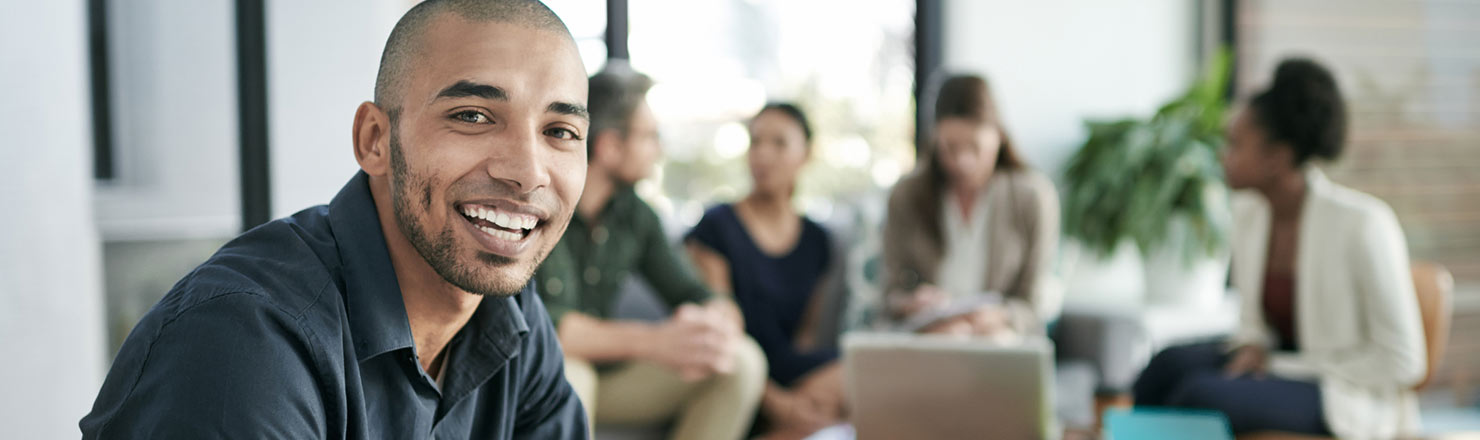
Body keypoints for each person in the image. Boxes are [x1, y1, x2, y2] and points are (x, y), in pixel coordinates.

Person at [81, 1, 590, 438]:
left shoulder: (510, 318)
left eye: (561, 130)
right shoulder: (242, 341)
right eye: (472, 116)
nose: (527, 172)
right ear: (374, 141)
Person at [1134, 58, 1426, 438]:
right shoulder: (1249, 213)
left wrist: (1277, 364)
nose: (1223, 157)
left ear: (1277, 157)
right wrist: (1255, 345)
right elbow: (1254, 321)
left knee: (1200, 395)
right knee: (1163, 369)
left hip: (1343, 389)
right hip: (1279, 361)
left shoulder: (1364, 224)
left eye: (1235, 145)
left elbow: (1404, 362)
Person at [534, 66, 767, 440]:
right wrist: (658, 342)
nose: (659, 149)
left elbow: (693, 290)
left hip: (615, 378)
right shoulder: (539, 207)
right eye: (650, 137)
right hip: (547, 373)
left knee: (741, 360)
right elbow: (545, 330)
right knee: (568, 376)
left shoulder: (638, 215)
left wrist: (717, 319)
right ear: (610, 146)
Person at [686, 103, 844, 439]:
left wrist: (807, 400)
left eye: (779, 143)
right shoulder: (716, 227)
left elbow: (805, 338)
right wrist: (780, 404)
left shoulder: (818, 241)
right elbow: (717, 334)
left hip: (791, 372)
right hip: (733, 370)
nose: (763, 155)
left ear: (807, 154)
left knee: (861, 375)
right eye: (756, 142)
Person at [881, 74, 1062, 339]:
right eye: (951, 148)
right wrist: (913, 302)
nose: (963, 162)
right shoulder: (907, 195)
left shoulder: (1033, 197)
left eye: (975, 148)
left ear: (998, 136)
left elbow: (1034, 303)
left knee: (988, 340)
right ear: (935, 140)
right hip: (930, 333)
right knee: (951, 335)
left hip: (998, 335)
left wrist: (999, 315)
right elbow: (889, 297)